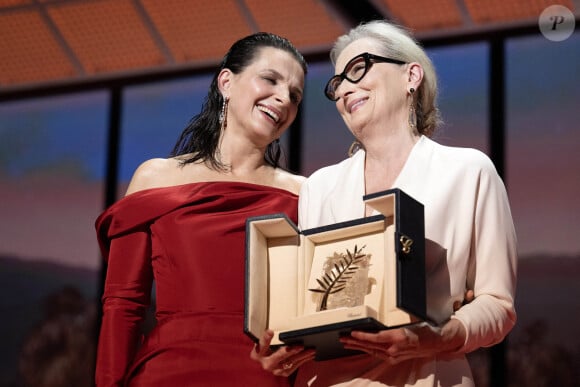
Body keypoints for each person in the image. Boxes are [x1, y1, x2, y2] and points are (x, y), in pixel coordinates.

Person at [253, 20, 517, 386]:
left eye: (358, 69)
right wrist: (283, 347)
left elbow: (497, 305)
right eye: (337, 83)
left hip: (430, 375)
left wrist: (437, 337)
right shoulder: (320, 187)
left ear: (411, 75)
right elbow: (313, 310)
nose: (345, 88)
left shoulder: (469, 171)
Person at [95, 32, 310, 386]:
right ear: (227, 82)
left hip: (262, 377)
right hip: (167, 374)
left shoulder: (305, 193)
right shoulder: (155, 177)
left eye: (295, 95)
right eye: (270, 79)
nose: (283, 98)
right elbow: (123, 306)